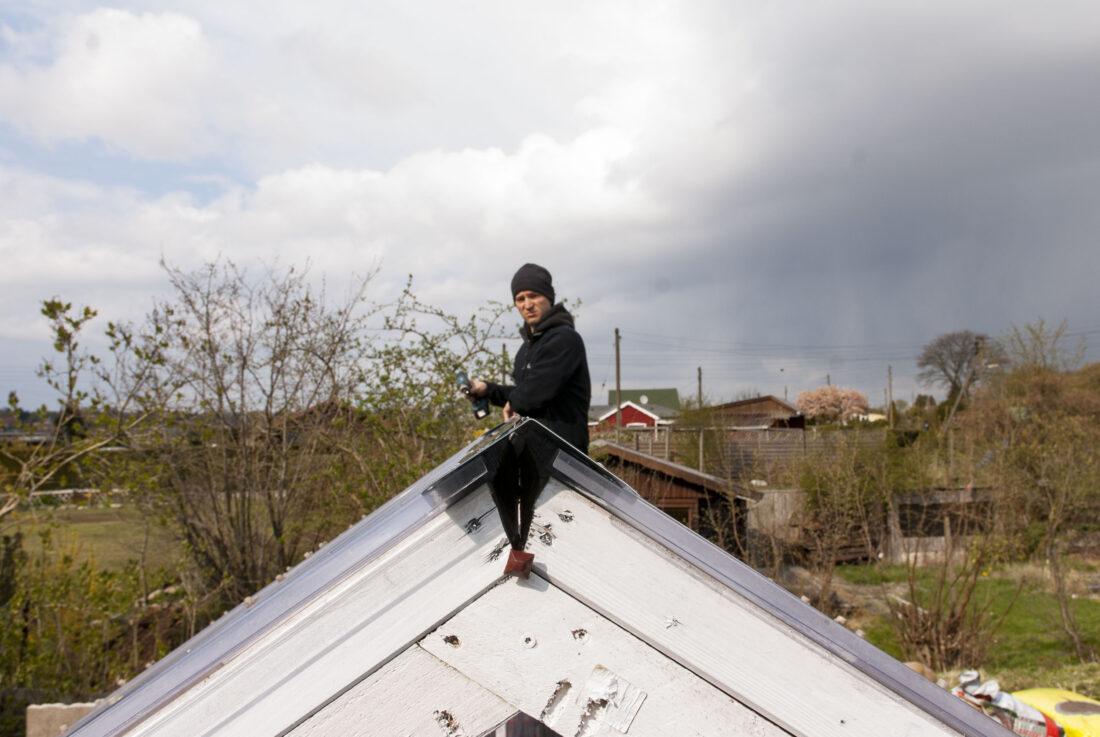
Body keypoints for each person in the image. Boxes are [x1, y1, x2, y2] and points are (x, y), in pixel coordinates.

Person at [468, 263, 591, 453]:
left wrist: (514, 402)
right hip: (533, 451)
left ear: (548, 297)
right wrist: (487, 390)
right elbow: (523, 391)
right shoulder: (526, 348)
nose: (527, 305)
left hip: (564, 454)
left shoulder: (564, 339)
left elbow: (536, 391)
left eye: (533, 295)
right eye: (520, 299)